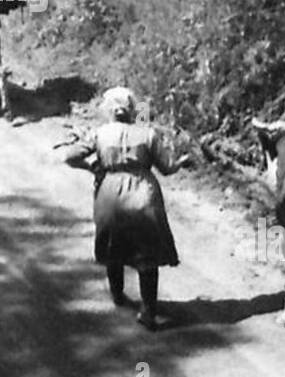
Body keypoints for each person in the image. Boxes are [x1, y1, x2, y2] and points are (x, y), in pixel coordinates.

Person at [60, 87, 194, 330]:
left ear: (109, 110)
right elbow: (167, 167)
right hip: (143, 194)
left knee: (114, 246)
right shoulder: (148, 134)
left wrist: (92, 167)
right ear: (132, 110)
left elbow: (70, 156)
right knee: (148, 255)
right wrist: (182, 162)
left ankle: (118, 294)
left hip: (110, 193)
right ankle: (149, 311)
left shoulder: (99, 133)